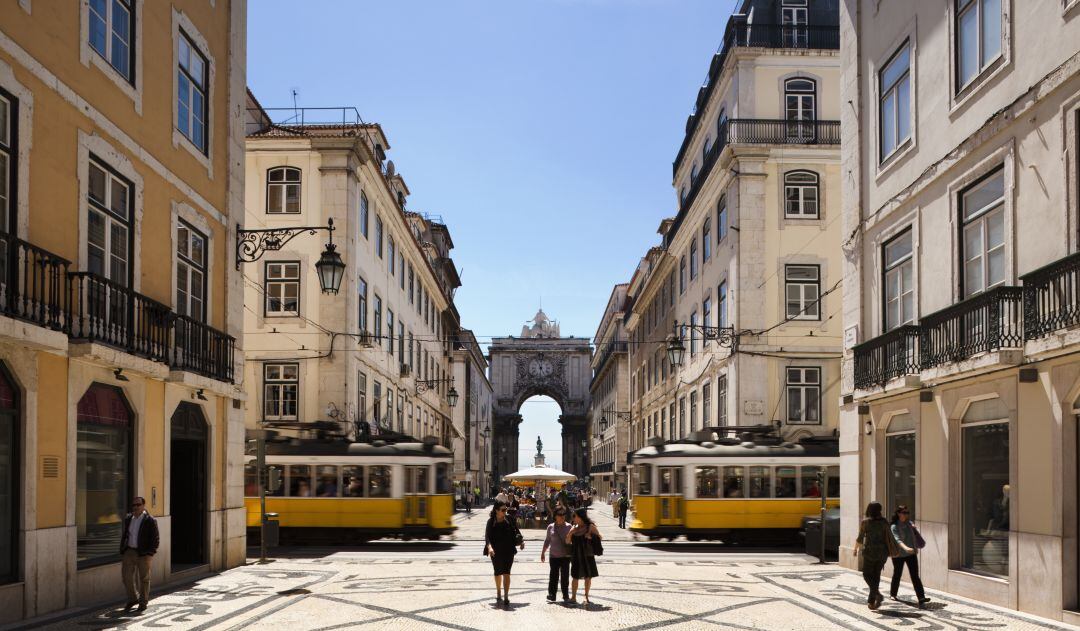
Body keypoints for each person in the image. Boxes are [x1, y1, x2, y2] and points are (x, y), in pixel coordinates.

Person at [119, 496, 159, 612]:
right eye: (134, 505)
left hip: (144, 552)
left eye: (138, 505)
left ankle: (143, 602)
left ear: (143, 506)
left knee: (144, 578)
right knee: (126, 577)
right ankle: (133, 599)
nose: (135, 507)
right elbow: (125, 534)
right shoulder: (128, 518)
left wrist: (150, 553)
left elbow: (155, 538)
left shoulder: (149, 520)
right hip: (129, 551)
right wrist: (123, 549)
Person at [854, 501, 895, 610]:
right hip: (883, 553)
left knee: (867, 574)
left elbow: (860, 538)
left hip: (870, 553)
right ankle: (872, 602)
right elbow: (889, 536)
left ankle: (877, 595)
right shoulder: (884, 522)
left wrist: (855, 549)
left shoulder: (865, 523)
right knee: (876, 576)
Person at [484, 500, 524, 606]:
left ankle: (506, 595)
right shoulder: (491, 521)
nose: (505, 511)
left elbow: (517, 531)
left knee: (507, 572)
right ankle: (498, 592)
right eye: (502, 510)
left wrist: (521, 541)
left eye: (506, 509)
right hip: (495, 551)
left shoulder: (510, 519)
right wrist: (490, 548)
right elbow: (487, 537)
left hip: (508, 549)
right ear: (496, 511)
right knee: (498, 572)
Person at [890, 505, 929, 607]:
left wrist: (914, 531)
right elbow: (897, 539)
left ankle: (921, 597)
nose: (906, 515)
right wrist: (906, 548)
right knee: (897, 574)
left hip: (911, 554)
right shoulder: (894, 526)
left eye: (907, 513)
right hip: (899, 554)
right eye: (904, 513)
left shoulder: (909, 524)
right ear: (898, 514)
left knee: (915, 575)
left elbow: (913, 538)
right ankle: (893, 594)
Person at [566, 507, 601, 605]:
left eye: (575, 516)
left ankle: (586, 596)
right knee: (575, 576)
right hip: (576, 555)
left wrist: (591, 537)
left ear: (581, 517)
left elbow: (599, 537)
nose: (573, 518)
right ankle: (573, 597)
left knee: (588, 577)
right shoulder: (574, 527)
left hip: (588, 555)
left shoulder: (590, 527)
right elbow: (567, 542)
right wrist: (570, 534)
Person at [541, 508, 573, 602]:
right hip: (553, 556)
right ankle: (552, 594)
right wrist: (543, 552)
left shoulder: (569, 526)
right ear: (555, 516)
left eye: (564, 514)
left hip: (565, 556)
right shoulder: (550, 527)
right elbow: (547, 540)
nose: (562, 516)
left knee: (565, 576)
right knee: (553, 576)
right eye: (560, 515)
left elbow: (572, 540)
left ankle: (565, 595)